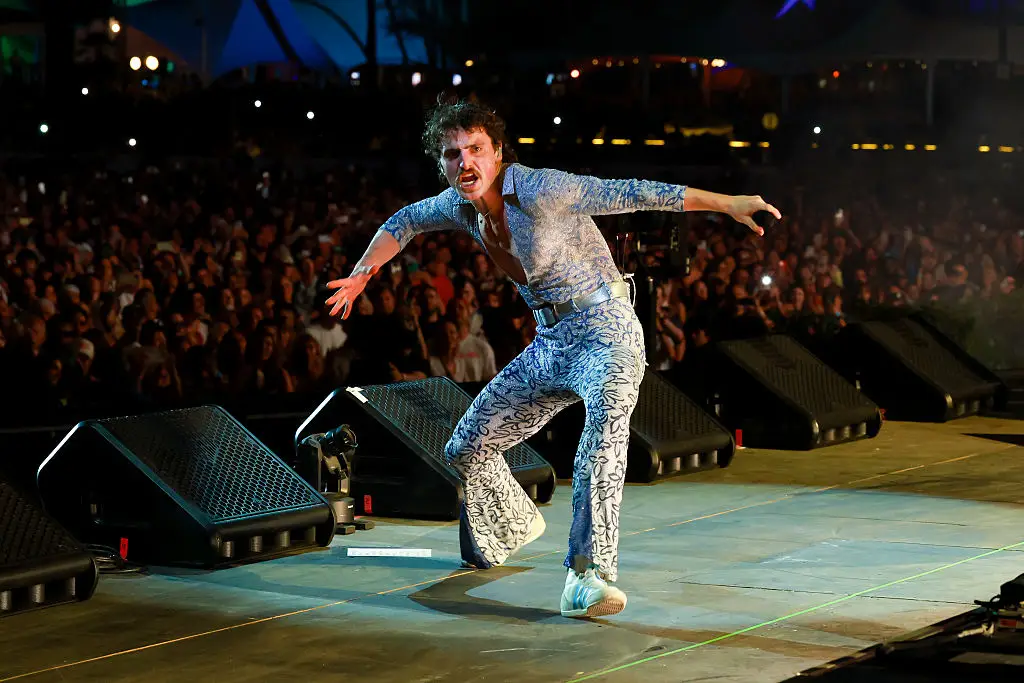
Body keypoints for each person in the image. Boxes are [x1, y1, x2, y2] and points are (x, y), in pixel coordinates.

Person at [325, 99, 780, 618]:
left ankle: (587, 575)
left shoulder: (543, 187)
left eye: (476, 149)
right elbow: (403, 222)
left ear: (497, 152)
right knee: (467, 447)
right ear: (442, 163)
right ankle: (513, 526)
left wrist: (727, 203)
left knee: (604, 435)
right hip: (551, 342)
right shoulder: (456, 205)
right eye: (453, 154)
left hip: (607, 330)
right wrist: (363, 272)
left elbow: (633, 193)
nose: (465, 162)